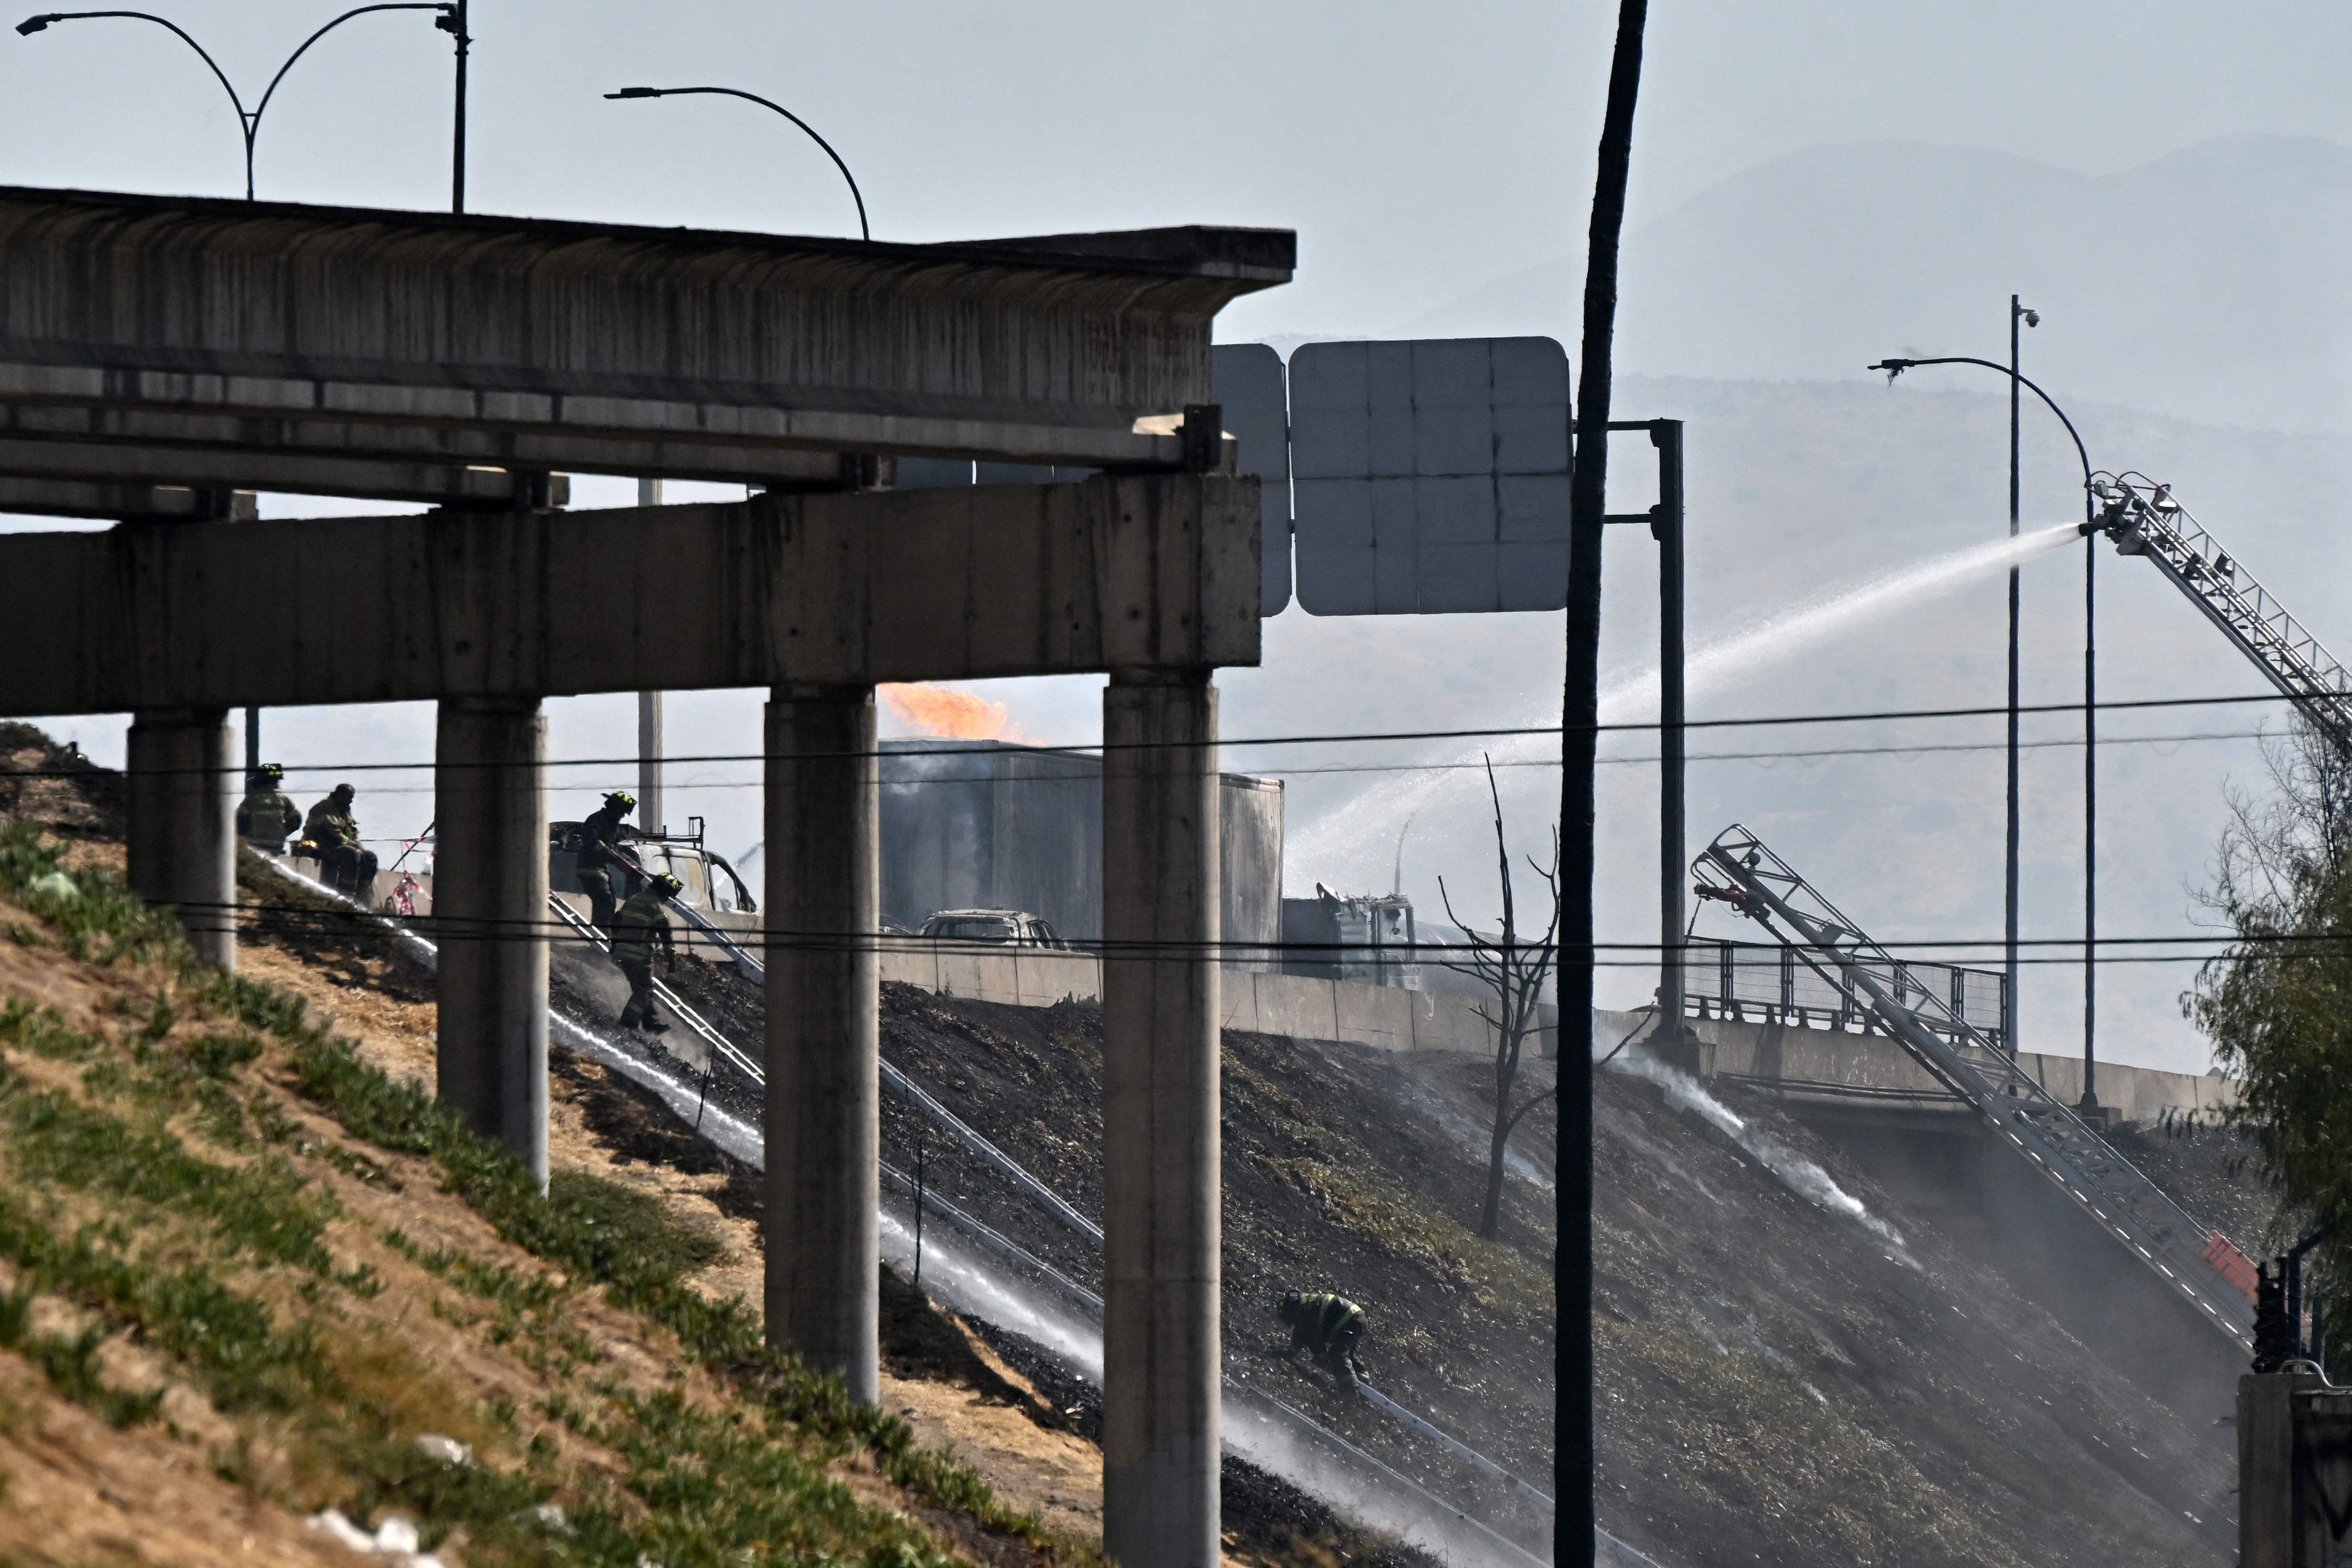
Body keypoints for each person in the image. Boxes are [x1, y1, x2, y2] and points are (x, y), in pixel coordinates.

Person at [613, 871, 681, 1034]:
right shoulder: (656, 909)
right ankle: (627, 1025)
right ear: (664, 891)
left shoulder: (633, 900)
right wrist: (672, 961)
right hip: (639, 956)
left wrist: (615, 945)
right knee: (644, 991)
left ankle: (651, 1023)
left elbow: (616, 922)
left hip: (621, 952)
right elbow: (667, 938)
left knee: (642, 987)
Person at [299, 782, 378, 899]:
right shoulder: (324, 808)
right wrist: (355, 847)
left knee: (370, 858)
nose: (351, 801)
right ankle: (346, 895)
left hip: (338, 847)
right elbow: (334, 833)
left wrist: (361, 849)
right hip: (319, 847)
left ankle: (361, 895)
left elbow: (352, 833)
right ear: (339, 795)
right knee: (351, 854)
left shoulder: (345, 811)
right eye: (349, 797)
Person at [1277, 1290, 1368, 1389]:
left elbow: (1312, 1335)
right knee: (1347, 1353)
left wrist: (1321, 1356)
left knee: (1338, 1354)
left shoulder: (1305, 1310)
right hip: (1355, 1318)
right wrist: (1291, 1352)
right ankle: (1362, 1377)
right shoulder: (1307, 1304)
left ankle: (1350, 1393)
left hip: (1350, 1320)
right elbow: (1302, 1334)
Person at [575, 789, 635, 931]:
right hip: (590, 868)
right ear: (616, 808)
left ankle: (603, 935)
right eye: (622, 812)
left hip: (601, 869)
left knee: (611, 902)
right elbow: (592, 841)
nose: (622, 816)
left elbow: (611, 847)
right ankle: (600, 936)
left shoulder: (612, 824)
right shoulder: (597, 819)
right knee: (604, 900)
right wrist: (613, 857)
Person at [235, 763, 303, 852]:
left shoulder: (251, 799)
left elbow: (240, 821)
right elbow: (296, 820)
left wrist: (245, 838)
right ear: (276, 781)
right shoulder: (283, 799)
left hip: (256, 847)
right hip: (277, 846)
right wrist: (282, 833)